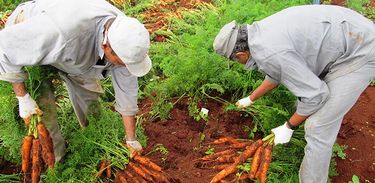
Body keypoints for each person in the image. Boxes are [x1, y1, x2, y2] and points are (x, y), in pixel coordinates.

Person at [213, 5, 375, 183]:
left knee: (317, 127)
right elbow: (277, 72)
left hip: (360, 50)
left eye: (235, 60)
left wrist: (289, 126)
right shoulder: (259, 34)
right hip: (350, 28)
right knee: (304, 105)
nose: (239, 63)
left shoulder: (269, 53)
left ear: (241, 53)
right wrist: (250, 98)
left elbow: (316, 95)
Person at [0, 0, 152, 162]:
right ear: (106, 46)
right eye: (122, 62)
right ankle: (57, 163)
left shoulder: (124, 34)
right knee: (44, 112)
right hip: (31, 37)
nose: (124, 66)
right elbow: (3, 46)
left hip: (76, 52)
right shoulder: (60, 33)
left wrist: (131, 139)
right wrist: (23, 98)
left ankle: (93, 143)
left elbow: (126, 90)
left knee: (92, 109)